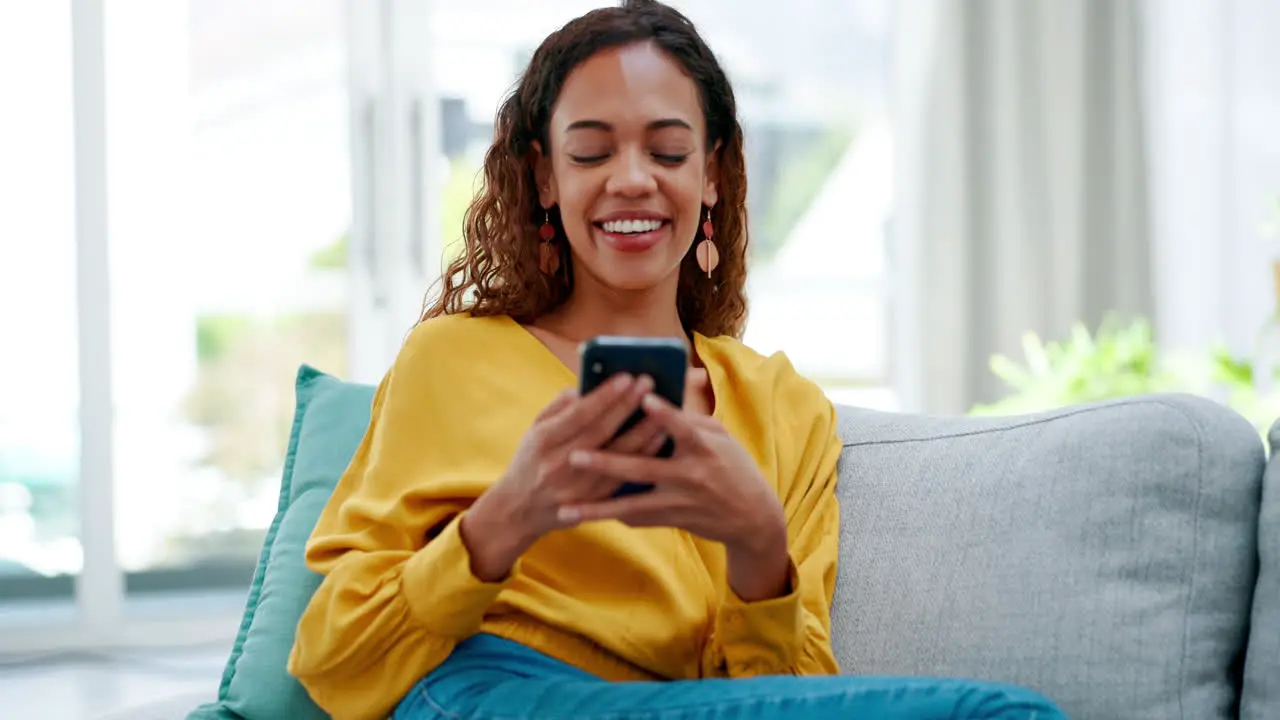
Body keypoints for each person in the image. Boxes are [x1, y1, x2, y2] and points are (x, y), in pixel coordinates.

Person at [287, 2, 1068, 718]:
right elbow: (330, 659)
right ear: (544, 177)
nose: (633, 180)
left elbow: (790, 702)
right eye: (591, 153)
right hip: (491, 693)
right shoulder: (453, 359)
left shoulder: (780, 404)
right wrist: (503, 520)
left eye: (667, 150)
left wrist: (759, 550)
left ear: (715, 175)